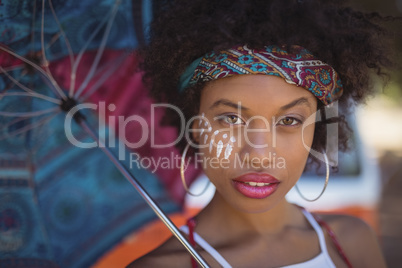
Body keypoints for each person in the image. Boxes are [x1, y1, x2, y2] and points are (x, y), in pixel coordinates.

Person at [130, 0, 395, 267]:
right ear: (197, 128)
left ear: (315, 129)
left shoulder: (351, 243)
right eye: (231, 119)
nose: (258, 156)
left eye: (289, 120)